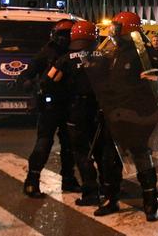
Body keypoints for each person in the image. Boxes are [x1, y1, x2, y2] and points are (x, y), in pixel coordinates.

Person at [87, 11, 158, 221]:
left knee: (141, 157)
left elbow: (151, 83)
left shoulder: (143, 54)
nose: (113, 32)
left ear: (128, 30)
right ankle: (111, 198)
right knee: (110, 159)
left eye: (117, 28)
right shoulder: (114, 52)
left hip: (136, 115)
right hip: (114, 113)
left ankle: (150, 199)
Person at [20, 19, 81, 197]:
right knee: (44, 142)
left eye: (68, 35)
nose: (65, 39)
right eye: (62, 35)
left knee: (69, 145)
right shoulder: (47, 52)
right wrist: (28, 83)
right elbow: (29, 72)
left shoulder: (77, 51)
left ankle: (69, 179)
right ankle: (32, 181)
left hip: (71, 104)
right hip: (51, 105)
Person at [48, 20, 104, 206]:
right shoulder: (104, 56)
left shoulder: (65, 59)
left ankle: (90, 192)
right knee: (102, 150)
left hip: (76, 111)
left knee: (81, 152)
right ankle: (109, 186)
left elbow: (49, 82)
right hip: (99, 110)